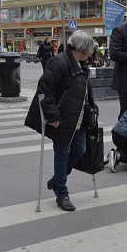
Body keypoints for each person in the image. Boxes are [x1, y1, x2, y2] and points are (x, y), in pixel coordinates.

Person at [25, 30, 97, 211]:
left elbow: (86, 91)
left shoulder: (82, 63)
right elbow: (44, 88)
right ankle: (62, 194)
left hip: (79, 118)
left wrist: (92, 109)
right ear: (81, 49)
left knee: (80, 148)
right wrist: (53, 116)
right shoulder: (60, 62)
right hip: (62, 118)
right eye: (89, 50)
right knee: (62, 153)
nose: (91, 53)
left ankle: (56, 181)